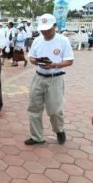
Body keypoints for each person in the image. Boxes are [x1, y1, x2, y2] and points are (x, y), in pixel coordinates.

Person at [25, 13, 74, 145]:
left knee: (54, 110)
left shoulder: (63, 40)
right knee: (34, 107)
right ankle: (37, 137)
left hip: (55, 78)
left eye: (48, 28)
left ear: (55, 26)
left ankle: (59, 130)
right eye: (43, 29)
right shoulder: (37, 40)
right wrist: (35, 61)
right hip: (39, 77)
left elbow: (69, 61)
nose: (45, 31)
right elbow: (31, 56)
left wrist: (55, 65)